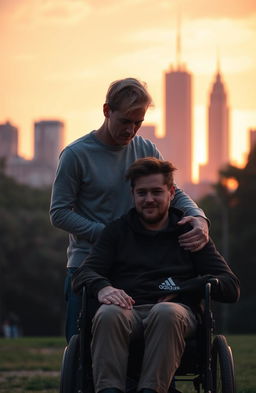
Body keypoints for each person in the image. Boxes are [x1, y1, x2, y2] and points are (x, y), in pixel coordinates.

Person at [50, 77, 209, 342]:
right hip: (89, 264)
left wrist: (199, 218)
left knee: (143, 344)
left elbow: (174, 192)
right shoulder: (76, 155)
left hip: (136, 264)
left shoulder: (146, 149)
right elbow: (59, 213)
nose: (131, 130)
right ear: (106, 111)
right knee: (82, 348)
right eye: (125, 121)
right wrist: (109, 236)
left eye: (138, 123)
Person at [72, 157, 240, 393]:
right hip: (128, 310)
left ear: (171, 192)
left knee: (165, 312)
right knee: (108, 313)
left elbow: (230, 286)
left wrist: (184, 289)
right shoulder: (117, 232)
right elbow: (84, 273)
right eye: (142, 193)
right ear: (133, 194)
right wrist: (104, 287)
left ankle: (152, 390)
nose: (149, 199)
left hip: (176, 313)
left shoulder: (190, 234)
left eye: (156, 192)